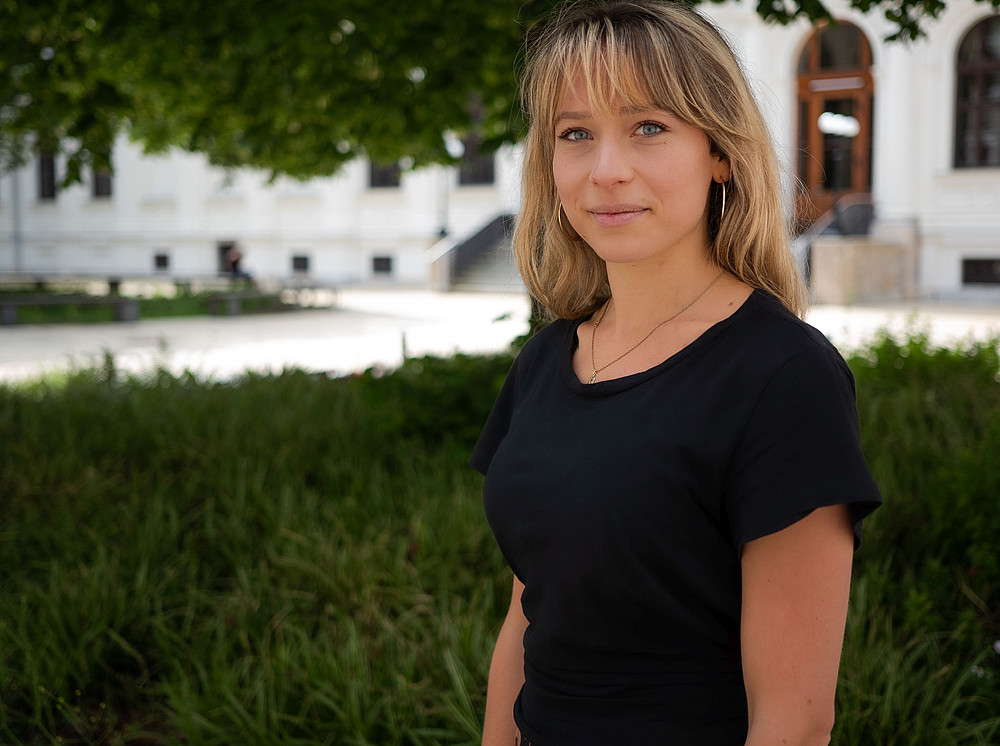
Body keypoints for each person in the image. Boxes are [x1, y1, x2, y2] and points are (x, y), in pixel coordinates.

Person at [469, 2, 882, 745]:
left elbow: (795, 721)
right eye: (575, 134)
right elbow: (527, 613)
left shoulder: (785, 376)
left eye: (648, 128)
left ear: (719, 152)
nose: (607, 170)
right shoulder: (544, 363)